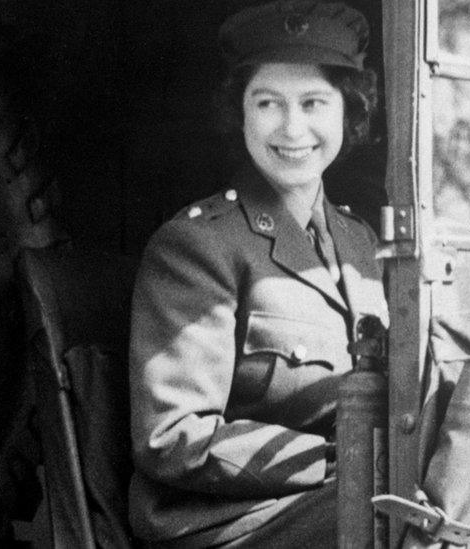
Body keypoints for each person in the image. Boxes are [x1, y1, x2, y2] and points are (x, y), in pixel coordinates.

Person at [127, 1, 387, 547]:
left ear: (349, 111)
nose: (293, 128)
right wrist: (342, 462)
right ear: (239, 112)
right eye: (268, 102)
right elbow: (174, 437)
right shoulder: (198, 245)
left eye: (313, 102)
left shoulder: (362, 245)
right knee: (392, 514)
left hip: (336, 503)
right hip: (227, 522)